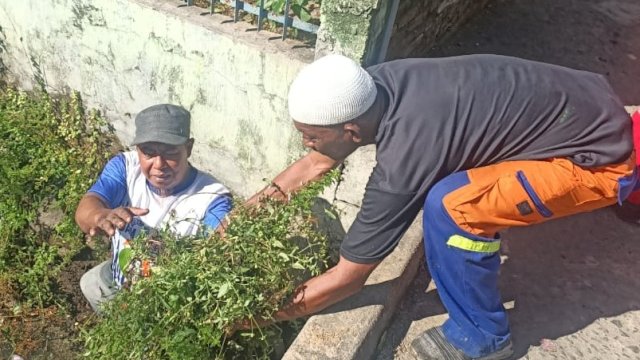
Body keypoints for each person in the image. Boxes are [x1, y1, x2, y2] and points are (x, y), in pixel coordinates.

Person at [246, 54, 638, 359]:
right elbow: (318, 162)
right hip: (591, 104)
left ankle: (482, 336)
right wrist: (248, 213)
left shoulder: (403, 161)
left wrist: (253, 316)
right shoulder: (374, 86)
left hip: (597, 160)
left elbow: (348, 279)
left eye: (311, 137)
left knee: (452, 208)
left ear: (351, 132)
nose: (306, 146)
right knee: (455, 188)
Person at [76, 104, 232, 312]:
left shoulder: (212, 198)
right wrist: (100, 216)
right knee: (92, 283)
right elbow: (86, 209)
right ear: (138, 150)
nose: (159, 164)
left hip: (171, 304)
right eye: (148, 153)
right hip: (123, 282)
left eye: (170, 153)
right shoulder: (125, 168)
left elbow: (220, 255)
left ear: (189, 148)